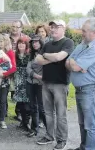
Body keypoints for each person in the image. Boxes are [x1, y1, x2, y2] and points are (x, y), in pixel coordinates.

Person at [35, 19, 74, 150]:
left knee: (61, 114)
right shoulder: (47, 44)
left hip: (60, 84)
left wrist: (46, 55)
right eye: (51, 27)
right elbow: (38, 60)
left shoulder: (68, 42)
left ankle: (62, 140)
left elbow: (60, 57)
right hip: (46, 82)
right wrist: (51, 57)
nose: (53, 29)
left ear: (64, 29)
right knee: (48, 113)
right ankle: (49, 136)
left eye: (57, 27)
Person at [66, 19, 95, 150]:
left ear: (94, 32)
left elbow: (74, 66)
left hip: (90, 90)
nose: (82, 33)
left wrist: (75, 64)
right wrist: (74, 63)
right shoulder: (82, 45)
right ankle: (84, 147)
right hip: (80, 90)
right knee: (82, 123)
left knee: (90, 125)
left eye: (84, 31)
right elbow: (68, 63)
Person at [0, 34, 17, 129]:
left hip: (5, 80)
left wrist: (4, 74)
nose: (0, 43)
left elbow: (14, 67)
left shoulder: (10, 52)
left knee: (2, 100)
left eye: (2, 41)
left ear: (5, 42)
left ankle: (2, 120)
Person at [26, 34, 46, 137]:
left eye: (37, 42)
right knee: (33, 106)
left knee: (42, 108)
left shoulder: (46, 54)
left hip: (41, 84)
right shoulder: (31, 54)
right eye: (33, 42)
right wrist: (35, 75)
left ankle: (49, 131)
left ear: (41, 42)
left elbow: (46, 68)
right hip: (31, 82)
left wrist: (39, 76)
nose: (35, 44)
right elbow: (28, 68)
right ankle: (34, 129)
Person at [9, 20, 30, 121]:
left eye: (17, 27)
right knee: (13, 92)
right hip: (9, 68)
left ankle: (20, 113)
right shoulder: (6, 38)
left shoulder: (26, 38)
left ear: (21, 28)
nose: (15, 29)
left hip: (22, 70)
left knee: (22, 92)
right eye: (13, 26)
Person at [12, 36, 31, 132]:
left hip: (27, 81)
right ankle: (23, 121)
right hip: (18, 81)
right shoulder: (14, 55)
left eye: (23, 43)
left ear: (26, 45)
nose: (21, 45)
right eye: (19, 43)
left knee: (27, 103)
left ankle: (27, 122)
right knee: (20, 103)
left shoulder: (29, 55)